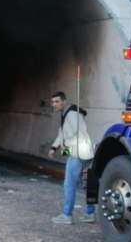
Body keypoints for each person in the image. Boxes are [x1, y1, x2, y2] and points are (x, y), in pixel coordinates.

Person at [49, 91, 96, 225]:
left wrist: (67, 150)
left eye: (57, 101)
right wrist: (54, 148)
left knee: (69, 184)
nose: (54, 104)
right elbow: (63, 135)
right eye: (53, 102)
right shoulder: (67, 114)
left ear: (64, 101)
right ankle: (90, 213)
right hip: (85, 152)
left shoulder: (72, 114)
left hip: (78, 153)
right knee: (87, 184)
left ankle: (66, 215)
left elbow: (78, 133)